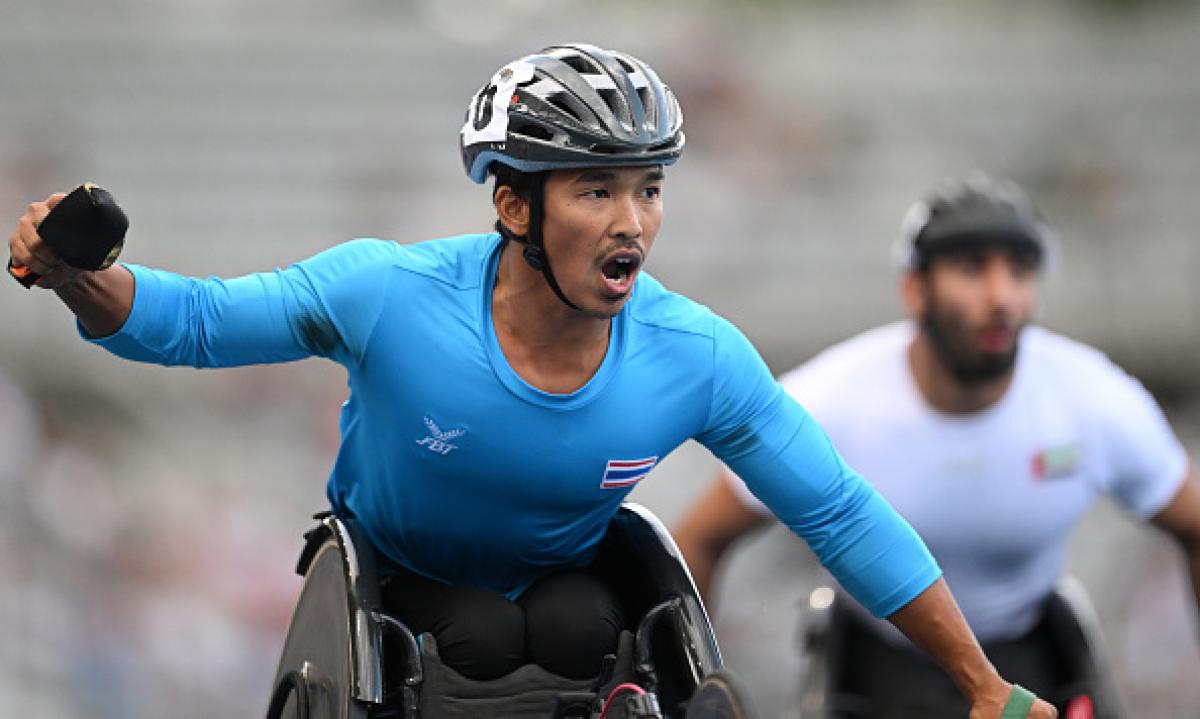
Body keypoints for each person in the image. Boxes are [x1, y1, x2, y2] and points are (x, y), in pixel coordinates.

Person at [8, 45, 1054, 718]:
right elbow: (190, 322)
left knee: (567, 626)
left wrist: (982, 686)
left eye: (649, 187)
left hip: (577, 599)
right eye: (597, 187)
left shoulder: (696, 353)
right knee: (481, 631)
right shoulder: (387, 295)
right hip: (398, 591)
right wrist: (79, 277)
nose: (634, 220)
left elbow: (835, 508)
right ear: (514, 206)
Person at [674, 173, 1200, 716]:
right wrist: (691, 694)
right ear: (914, 288)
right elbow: (698, 542)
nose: (1000, 298)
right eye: (972, 269)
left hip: (1034, 660)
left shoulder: (1093, 398)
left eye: (1019, 271)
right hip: (878, 671)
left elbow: (1193, 524)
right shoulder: (829, 401)